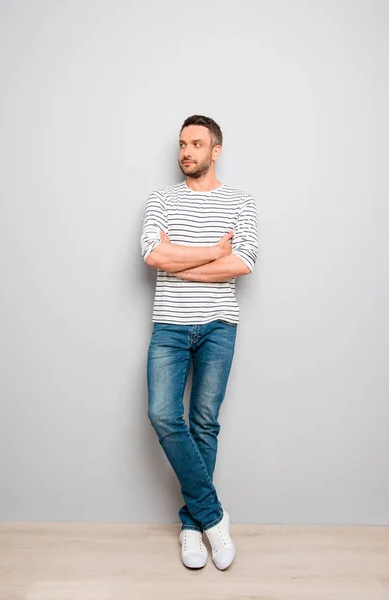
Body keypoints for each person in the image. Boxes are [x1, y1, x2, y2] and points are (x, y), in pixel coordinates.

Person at [140, 115, 258, 570]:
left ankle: (191, 528)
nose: (186, 151)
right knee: (164, 415)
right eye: (182, 144)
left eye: (196, 143)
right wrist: (213, 251)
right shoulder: (161, 200)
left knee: (204, 423)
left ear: (216, 150)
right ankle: (212, 517)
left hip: (218, 326)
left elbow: (244, 261)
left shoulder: (240, 202)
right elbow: (153, 253)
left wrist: (180, 263)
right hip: (169, 325)